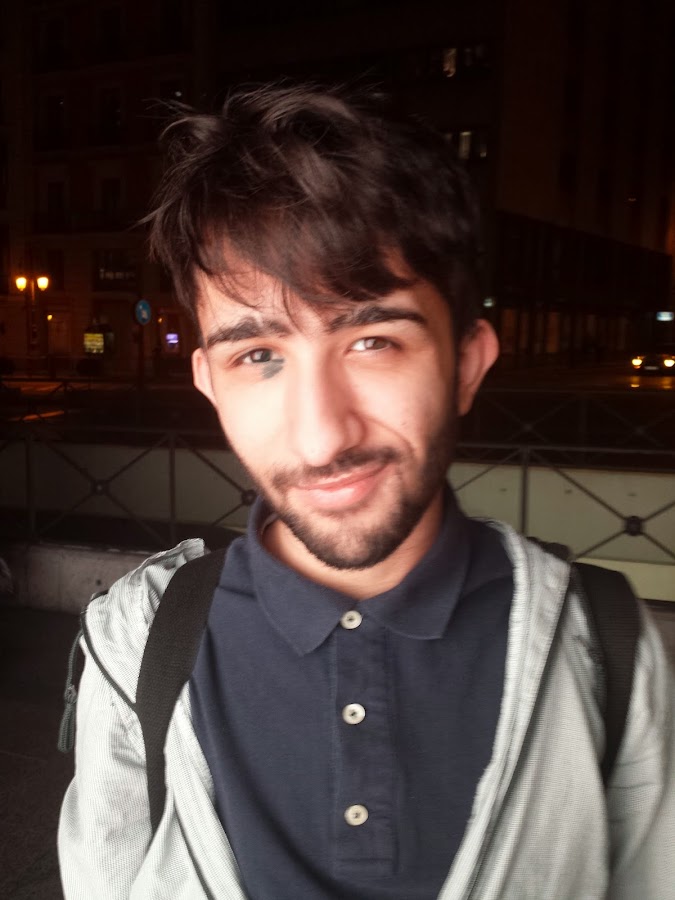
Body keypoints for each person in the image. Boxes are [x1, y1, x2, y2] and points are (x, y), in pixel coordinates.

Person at [58, 84, 674, 900]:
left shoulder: (606, 648)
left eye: (373, 340)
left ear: (465, 364)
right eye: (258, 356)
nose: (322, 437)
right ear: (208, 383)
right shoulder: (138, 644)